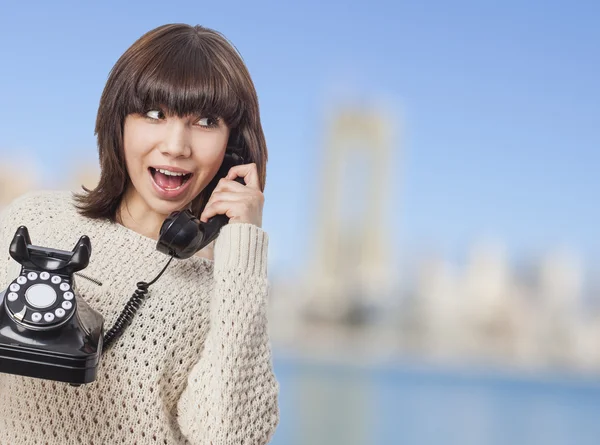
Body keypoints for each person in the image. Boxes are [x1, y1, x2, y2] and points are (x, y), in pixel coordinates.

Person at [0, 24, 279, 444]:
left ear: (233, 148)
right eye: (154, 114)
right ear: (119, 123)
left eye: (205, 121)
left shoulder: (224, 292)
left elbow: (231, 437)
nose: (176, 145)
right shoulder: (33, 217)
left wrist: (241, 247)